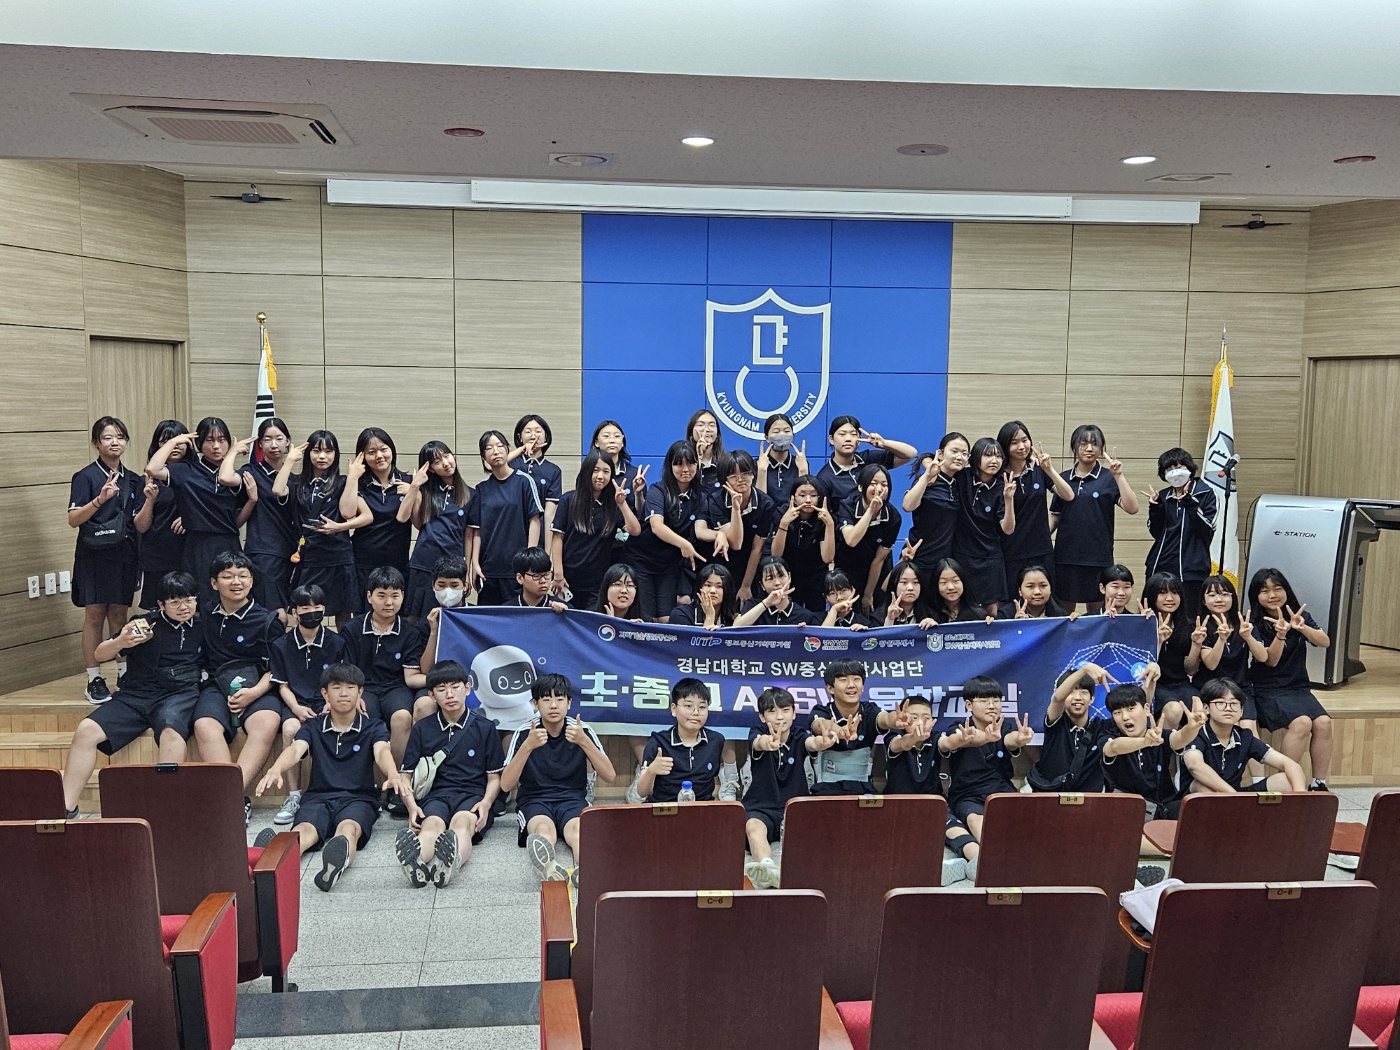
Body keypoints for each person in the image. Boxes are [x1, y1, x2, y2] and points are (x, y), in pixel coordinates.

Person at [255, 663, 410, 892]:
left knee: (348, 829)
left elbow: (381, 751)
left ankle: (335, 864)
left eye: (350, 687)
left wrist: (393, 774)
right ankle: (273, 859)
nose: (344, 693)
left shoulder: (373, 726)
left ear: (360, 692)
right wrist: (276, 768)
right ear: (325, 694)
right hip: (318, 797)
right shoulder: (313, 726)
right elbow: (296, 749)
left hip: (359, 799)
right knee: (304, 830)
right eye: (336, 687)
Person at [60, 571, 203, 816]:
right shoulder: (143, 624)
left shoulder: (202, 626)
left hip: (178, 695)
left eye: (189, 600)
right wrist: (122, 642)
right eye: (175, 601)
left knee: (171, 732)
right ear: (161, 604)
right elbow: (100, 654)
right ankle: (65, 807)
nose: (183, 607)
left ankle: (164, 810)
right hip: (136, 695)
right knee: (86, 730)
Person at [186, 552, 281, 824]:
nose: (236, 582)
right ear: (214, 583)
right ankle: (235, 801)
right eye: (228, 576)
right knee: (204, 725)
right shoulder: (204, 614)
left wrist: (254, 693)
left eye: (242, 576)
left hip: (260, 685)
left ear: (252, 581)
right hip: (217, 684)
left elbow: (279, 669)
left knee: (267, 721)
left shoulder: (267, 620)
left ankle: (230, 797)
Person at [69, 416, 158, 703]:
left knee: (119, 614)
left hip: (125, 554)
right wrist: (100, 499)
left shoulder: (134, 479)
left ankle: (124, 673)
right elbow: (73, 519)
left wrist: (149, 500)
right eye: (107, 437)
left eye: (120, 437)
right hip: (93, 554)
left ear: (126, 442)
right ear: (96, 443)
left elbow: (140, 526)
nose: (114, 442)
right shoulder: (85, 477)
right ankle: (94, 678)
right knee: (94, 615)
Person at [395, 661, 505, 887]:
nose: (450, 694)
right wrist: (411, 806)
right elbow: (405, 775)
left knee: (462, 825)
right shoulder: (422, 728)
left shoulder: (485, 727)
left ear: (467, 688)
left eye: (455, 687)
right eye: (441, 689)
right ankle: (415, 862)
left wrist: (486, 803)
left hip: (472, 795)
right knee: (431, 826)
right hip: (436, 795)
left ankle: (450, 863)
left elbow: (494, 777)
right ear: (432, 695)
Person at [500, 673, 616, 883]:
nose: (553, 705)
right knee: (545, 831)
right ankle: (548, 869)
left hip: (572, 799)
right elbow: (506, 784)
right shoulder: (525, 732)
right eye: (546, 699)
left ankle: (586, 872)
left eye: (560, 699)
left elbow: (609, 775)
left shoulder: (582, 730)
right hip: (534, 800)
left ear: (569, 703)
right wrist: (528, 746)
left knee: (578, 832)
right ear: (536, 704)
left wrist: (583, 741)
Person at [339, 565, 428, 797]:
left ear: (403, 597)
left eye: (395, 596)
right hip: (364, 688)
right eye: (382, 595)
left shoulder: (410, 632)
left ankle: (396, 786)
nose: (389, 602)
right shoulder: (351, 629)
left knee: (402, 717)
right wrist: (354, 694)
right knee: (364, 718)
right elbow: (346, 670)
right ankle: (366, 787)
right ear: (369, 597)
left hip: (395, 687)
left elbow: (410, 675)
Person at [267, 584, 352, 827]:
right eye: (305, 608)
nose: (312, 612)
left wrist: (330, 703)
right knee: (290, 729)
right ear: (295, 612)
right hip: (296, 702)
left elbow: (341, 681)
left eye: (317, 607)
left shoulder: (337, 642)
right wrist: (296, 708)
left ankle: (332, 793)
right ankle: (294, 796)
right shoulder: (281, 645)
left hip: (328, 702)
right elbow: (282, 685)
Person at [145, 417, 249, 610]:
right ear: (199, 444)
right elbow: (152, 469)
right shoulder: (186, 470)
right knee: (200, 601)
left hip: (229, 543)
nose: (216, 446)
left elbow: (236, 519)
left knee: (232, 598)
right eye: (209, 440)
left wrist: (252, 500)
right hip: (198, 545)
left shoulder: (236, 476)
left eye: (222, 440)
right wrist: (174, 441)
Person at [742, 687, 837, 889]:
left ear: (794, 714)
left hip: (794, 806)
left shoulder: (799, 735)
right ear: (762, 716)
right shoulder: (757, 733)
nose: (779, 717)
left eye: (785, 710)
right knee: (753, 828)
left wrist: (824, 742)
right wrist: (768, 742)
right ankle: (767, 868)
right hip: (761, 806)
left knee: (819, 834)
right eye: (772, 711)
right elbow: (758, 743)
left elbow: (812, 743)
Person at [1247, 567, 1333, 791]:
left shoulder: (1298, 616)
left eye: (1277, 588)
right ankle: (1284, 782)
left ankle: (1319, 784)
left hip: (1297, 686)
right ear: (1256, 595)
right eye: (1264, 590)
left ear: (1286, 590)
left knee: (1323, 723)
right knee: (1302, 722)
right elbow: (1270, 661)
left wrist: (1302, 627)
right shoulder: (1253, 623)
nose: (1272, 595)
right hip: (1267, 688)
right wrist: (1280, 634)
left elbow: (1324, 642)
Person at [275, 431, 371, 624]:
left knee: (343, 613)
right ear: (308, 453)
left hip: (338, 555)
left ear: (336, 455)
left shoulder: (342, 482)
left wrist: (339, 527)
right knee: (305, 609)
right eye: (316, 450)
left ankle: (344, 645)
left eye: (328, 451)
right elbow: (277, 490)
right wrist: (290, 459)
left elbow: (356, 514)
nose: (322, 456)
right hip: (309, 556)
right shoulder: (297, 482)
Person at [937, 676, 1034, 866]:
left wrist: (1020, 739)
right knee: (974, 819)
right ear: (969, 705)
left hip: (1002, 792)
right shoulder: (959, 728)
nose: (992, 706)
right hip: (968, 796)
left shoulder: (1004, 728)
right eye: (984, 700)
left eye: (996, 700)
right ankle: (999, 862)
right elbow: (961, 740)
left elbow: (1010, 739)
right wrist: (986, 738)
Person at [1050, 424, 1140, 614]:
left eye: (1095, 444)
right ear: (1074, 447)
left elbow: (1132, 508)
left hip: (1099, 557)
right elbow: (1055, 517)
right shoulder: (1063, 478)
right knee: (1064, 613)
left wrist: (1119, 476)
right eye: (1083, 443)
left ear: (1101, 449)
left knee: (1098, 613)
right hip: (1066, 557)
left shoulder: (1109, 478)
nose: (1089, 448)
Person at [223, 418, 297, 622]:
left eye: (279, 438)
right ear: (260, 444)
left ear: (288, 441)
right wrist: (233, 451)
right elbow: (226, 477)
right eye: (267, 439)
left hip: (290, 553)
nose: (274, 444)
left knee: (286, 610)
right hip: (263, 552)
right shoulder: (251, 472)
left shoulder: (294, 478)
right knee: (275, 613)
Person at [1180, 678, 1307, 794]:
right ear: (1206, 708)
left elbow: (1291, 765)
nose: (1228, 708)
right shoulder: (1195, 733)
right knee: (1202, 786)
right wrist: (1233, 795)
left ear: (1241, 711)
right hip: (1194, 802)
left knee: (1286, 780)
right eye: (1221, 703)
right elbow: (1194, 766)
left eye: (1234, 704)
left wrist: (1300, 795)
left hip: (1236, 797)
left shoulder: (1244, 736)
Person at [550, 451, 642, 609]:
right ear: (586, 472)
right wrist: (558, 574)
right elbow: (557, 538)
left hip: (597, 582)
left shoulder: (612, 505)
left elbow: (635, 530)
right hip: (567, 579)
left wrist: (622, 504)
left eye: (606, 471)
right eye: (595, 470)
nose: (601, 476)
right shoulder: (568, 500)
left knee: (591, 621)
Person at [1101, 682, 1204, 820]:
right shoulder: (1108, 736)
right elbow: (1114, 747)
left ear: (1146, 708)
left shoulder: (1158, 735)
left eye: (1131, 709)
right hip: (1126, 812)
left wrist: (1192, 727)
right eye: (1117, 713)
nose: (1125, 717)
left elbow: (1180, 738)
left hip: (1163, 807)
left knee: (1198, 811)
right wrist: (1145, 742)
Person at [809, 659, 911, 795]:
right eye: (843, 680)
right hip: (826, 789)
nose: (851, 685)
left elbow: (885, 718)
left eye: (856, 679)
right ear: (830, 688)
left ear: (862, 686)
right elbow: (820, 724)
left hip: (863, 788)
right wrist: (840, 731)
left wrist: (895, 720)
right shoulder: (821, 711)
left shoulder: (870, 711)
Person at [628, 439, 702, 621]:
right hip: (643, 561)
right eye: (679, 464)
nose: (685, 469)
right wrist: (684, 544)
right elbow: (656, 526)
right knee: (646, 618)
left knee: (666, 619)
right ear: (670, 466)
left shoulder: (700, 496)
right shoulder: (658, 490)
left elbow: (701, 529)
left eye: (690, 463)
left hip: (669, 565)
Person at [997, 420, 1075, 591]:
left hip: (1041, 549)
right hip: (1011, 550)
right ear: (1004, 446)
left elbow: (1068, 495)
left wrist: (1049, 469)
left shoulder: (1038, 469)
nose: (1021, 446)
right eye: (1014, 442)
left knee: (1043, 598)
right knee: (1014, 599)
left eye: (1024, 440)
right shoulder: (999, 476)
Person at [399, 440, 473, 620]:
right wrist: (414, 487)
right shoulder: (424, 491)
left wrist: (469, 569)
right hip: (423, 562)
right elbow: (410, 520)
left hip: (454, 565)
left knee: (451, 617)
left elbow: (470, 535)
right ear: (431, 468)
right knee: (415, 618)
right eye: (437, 462)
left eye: (447, 456)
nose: (445, 463)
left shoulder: (471, 494)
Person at [468, 430, 543, 605]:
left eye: (500, 446)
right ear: (483, 457)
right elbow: (476, 531)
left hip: (516, 569)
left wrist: (529, 559)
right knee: (488, 619)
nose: (495, 451)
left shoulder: (524, 481)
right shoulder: (481, 489)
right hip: (489, 570)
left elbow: (534, 520)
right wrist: (475, 564)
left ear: (507, 449)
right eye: (489, 448)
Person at [341, 427, 413, 607]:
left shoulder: (408, 482)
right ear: (363, 456)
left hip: (398, 562)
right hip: (364, 562)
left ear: (392, 450)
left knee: (396, 614)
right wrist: (352, 478)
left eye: (383, 449)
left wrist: (415, 491)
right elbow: (347, 513)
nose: (379, 456)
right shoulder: (358, 484)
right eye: (371, 452)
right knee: (365, 615)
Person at [1143, 448, 1217, 617]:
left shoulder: (1205, 493)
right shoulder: (1162, 496)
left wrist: (1189, 502)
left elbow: (1207, 529)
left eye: (1178, 466)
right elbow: (1156, 532)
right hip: (1160, 565)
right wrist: (1155, 508)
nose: (1174, 472)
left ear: (1189, 467)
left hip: (1192, 569)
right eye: (1169, 469)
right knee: (1156, 616)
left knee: (1190, 617)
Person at [1193, 574, 1267, 733]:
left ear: (1233, 598)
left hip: (1240, 687)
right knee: (1224, 729)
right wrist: (1221, 639)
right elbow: (1211, 664)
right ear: (1204, 601)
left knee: (1248, 730)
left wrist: (1248, 637)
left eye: (1225, 594)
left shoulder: (1245, 623)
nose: (1219, 599)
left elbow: (1262, 657)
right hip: (1211, 688)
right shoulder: (1201, 627)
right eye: (1212, 595)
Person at [699, 450, 775, 602]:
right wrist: (735, 508)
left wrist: (746, 586)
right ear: (724, 479)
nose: (740, 479)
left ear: (753, 474)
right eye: (733, 476)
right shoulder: (716, 500)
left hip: (751, 565)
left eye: (745, 473)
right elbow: (735, 543)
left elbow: (757, 548)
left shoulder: (766, 504)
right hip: (723, 560)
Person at [951, 437, 1016, 615]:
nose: (994, 460)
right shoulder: (962, 476)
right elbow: (932, 459)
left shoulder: (1002, 486)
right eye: (988, 455)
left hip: (990, 557)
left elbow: (1008, 529)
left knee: (992, 611)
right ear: (976, 457)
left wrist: (1008, 500)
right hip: (962, 554)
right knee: (960, 608)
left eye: (999, 456)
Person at [635, 678, 727, 803]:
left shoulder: (716, 741)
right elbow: (642, 792)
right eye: (688, 706)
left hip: (702, 809)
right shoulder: (659, 742)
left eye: (702, 707)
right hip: (664, 808)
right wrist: (651, 770)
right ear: (674, 709)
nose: (696, 712)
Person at [1026, 663, 1113, 792]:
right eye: (1071, 692)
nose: (1077, 697)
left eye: (1084, 692)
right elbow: (1057, 698)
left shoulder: (1100, 728)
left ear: (1092, 698)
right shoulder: (1056, 723)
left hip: (1090, 800)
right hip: (1052, 798)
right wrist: (1084, 670)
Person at [136, 420, 189, 612]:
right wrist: (150, 500)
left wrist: (190, 517)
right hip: (156, 557)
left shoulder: (196, 475)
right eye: (166, 441)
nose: (174, 446)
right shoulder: (146, 480)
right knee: (157, 612)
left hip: (188, 555)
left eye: (178, 441)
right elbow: (141, 526)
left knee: (188, 609)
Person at [836, 464, 902, 617]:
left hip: (875, 574)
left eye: (884, 485)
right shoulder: (847, 506)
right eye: (873, 483)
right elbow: (851, 540)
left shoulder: (893, 517)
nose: (879, 489)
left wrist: (868, 594)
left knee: (873, 614)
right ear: (861, 487)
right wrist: (870, 511)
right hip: (848, 570)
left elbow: (879, 560)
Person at [902, 436, 969, 582]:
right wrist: (927, 476)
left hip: (946, 561)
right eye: (954, 451)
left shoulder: (961, 481)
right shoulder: (929, 479)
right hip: (919, 555)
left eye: (964, 454)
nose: (959, 457)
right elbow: (907, 506)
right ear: (941, 453)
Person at [814, 414, 916, 506]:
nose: (848, 439)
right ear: (831, 439)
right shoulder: (824, 478)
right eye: (842, 434)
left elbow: (910, 454)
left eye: (853, 434)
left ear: (859, 440)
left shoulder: (868, 459)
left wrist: (883, 443)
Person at [769, 475, 836, 612]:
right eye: (802, 495)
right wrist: (784, 524)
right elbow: (776, 554)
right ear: (793, 497)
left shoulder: (825, 518)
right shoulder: (781, 513)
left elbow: (827, 558)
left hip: (816, 576)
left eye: (813, 495)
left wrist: (830, 525)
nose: (808, 500)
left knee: (816, 615)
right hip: (789, 575)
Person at [1142, 572, 1197, 731]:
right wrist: (1158, 640)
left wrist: (1196, 644)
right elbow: (1141, 664)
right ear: (1151, 595)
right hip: (1153, 684)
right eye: (1162, 592)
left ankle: (1189, 747)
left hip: (1180, 683)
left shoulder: (1188, 625)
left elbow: (1190, 670)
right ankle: (1162, 747)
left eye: (1175, 592)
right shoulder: (1142, 623)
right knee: (1173, 710)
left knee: (1200, 708)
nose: (1169, 598)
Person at [510, 414, 564, 528]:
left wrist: (548, 540)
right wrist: (521, 450)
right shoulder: (510, 464)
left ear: (546, 437)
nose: (533, 436)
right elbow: (491, 466)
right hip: (511, 528)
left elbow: (550, 514)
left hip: (539, 530)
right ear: (520, 437)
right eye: (528, 432)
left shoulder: (553, 471)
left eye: (538, 431)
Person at [734, 556, 820, 627]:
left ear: (789, 577)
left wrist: (805, 631)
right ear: (762, 585)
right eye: (770, 578)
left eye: (781, 576)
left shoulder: (803, 615)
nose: (777, 583)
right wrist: (766, 603)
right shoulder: (752, 606)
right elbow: (736, 627)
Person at [755, 412, 810, 507]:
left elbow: (805, 502)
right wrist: (762, 472)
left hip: (794, 514)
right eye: (776, 432)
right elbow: (758, 505)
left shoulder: (800, 464)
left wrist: (803, 471)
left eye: (787, 431)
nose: (782, 435)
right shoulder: (756, 465)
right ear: (767, 438)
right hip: (766, 515)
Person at [666, 563, 739, 628]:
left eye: (719, 586)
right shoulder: (681, 614)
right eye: (708, 585)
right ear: (699, 588)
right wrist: (709, 617)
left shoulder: (731, 618)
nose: (713, 591)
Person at [926, 557, 989, 624]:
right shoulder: (928, 614)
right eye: (944, 582)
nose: (950, 587)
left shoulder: (978, 615)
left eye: (955, 581)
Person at [877, 561, 938, 628]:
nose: (910, 588)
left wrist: (933, 628)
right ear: (894, 585)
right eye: (904, 582)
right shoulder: (879, 617)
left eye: (915, 582)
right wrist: (889, 620)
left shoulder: (931, 615)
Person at [998, 564, 1072, 619]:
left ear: (1050, 589)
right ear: (1020, 591)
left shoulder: (1060, 615)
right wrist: (1015, 625)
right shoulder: (1004, 615)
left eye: (1043, 586)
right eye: (1030, 586)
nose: (1037, 592)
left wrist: (1075, 622)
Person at [508, 546, 569, 611]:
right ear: (520, 578)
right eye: (536, 576)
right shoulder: (508, 611)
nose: (543, 581)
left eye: (547, 574)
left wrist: (567, 613)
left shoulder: (562, 608)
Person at [686, 407, 725, 490]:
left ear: (717, 434)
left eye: (712, 425)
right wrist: (698, 459)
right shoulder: (682, 461)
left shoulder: (726, 462)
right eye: (701, 425)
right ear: (691, 432)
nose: (707, 429)